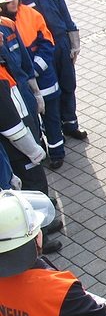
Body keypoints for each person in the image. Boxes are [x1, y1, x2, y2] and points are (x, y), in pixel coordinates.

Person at [8, 0, 87, 140]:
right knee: (49, 91)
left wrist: (73, 39)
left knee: (68, 84)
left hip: (60, 42)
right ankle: (53, 130)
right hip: (40, 48)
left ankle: (70, 123)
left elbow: (63, 10)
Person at [0, 26, 62, 254]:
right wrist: (33, 150)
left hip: (26, 132)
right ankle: (38, 240)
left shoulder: (3, 59)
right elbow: (10, 125)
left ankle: (44, 221)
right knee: (29, 187)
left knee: (37, 183)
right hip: (18, 147)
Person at [0, 0, 64, 169]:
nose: (15, 3)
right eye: (9, 1)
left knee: (52, 117)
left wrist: (36, 71)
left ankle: (57, 152)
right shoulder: (5, 26)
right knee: (32, 125)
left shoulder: (29, 15)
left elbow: (46, 42)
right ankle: (41, 151)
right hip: (21, 90)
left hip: (42, 81)